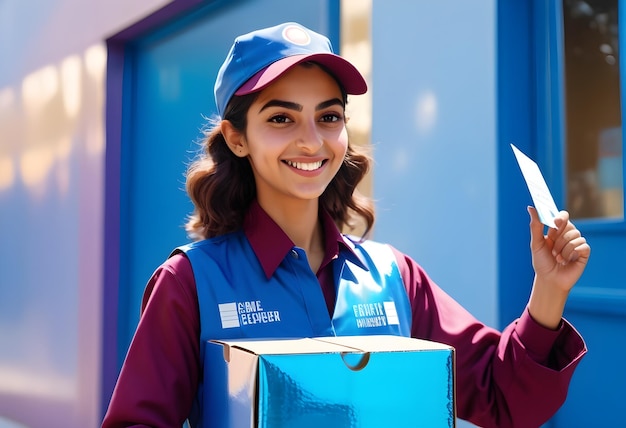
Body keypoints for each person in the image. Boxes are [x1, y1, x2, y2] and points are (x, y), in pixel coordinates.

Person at [102, 22, 591, 428]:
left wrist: (548, 291)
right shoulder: (191, 284)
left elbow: (503, 398)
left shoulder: (393, 277)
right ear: (236, 138)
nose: (312, 142)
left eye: (329, 116)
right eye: (280, 119)